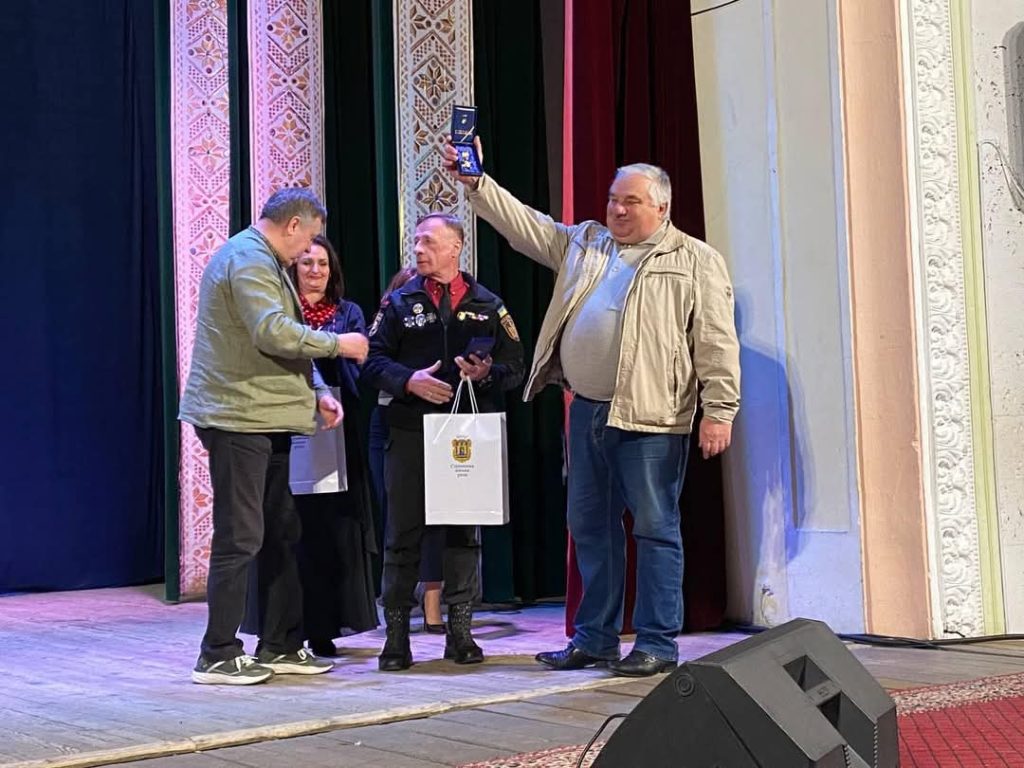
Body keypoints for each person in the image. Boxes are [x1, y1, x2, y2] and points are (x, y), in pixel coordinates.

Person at [444, 138, 741, 678]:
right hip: (587, 412)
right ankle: (595, 639)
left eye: (631, 201)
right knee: (589, 527)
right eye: (612, 199)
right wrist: (477, 183)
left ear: (662, 207)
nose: (617, 210)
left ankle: (656, 643)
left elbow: (716, 341)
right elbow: (527, 227)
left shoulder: (695, 260)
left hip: (652, 418)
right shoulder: (587, 243)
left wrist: (719, 410)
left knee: (654, 528)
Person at [179, 188, 368, 685]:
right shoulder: (247, 259)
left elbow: (281, 341)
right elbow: (273, 332)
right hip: (237, 416)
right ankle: (217, 652)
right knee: (240, 534)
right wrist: (340, 344)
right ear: (292, 225)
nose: (308, 251)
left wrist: (318, 392)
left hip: (266, 416)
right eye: (308, 238)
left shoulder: (265, 259)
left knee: (282, 531)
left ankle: (280, 643)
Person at [363, 213, 525, 671]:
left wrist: (486, 374)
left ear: (456, 247)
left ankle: (460, 633)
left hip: (463, 436)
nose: (419, 249)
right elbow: (371, 361)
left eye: (429, 242)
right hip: (410, 432)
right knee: (402, 535)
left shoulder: (488, 304)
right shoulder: (399, 302)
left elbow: (516, 366)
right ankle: (397, 639)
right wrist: (408, 380)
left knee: (463, 535)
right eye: (416, 241)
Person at [286, 234, 379, 655]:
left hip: (339, 431)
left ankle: (325, 627)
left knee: (333, 531)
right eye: (307, 262)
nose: (315, 270)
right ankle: (289, 627)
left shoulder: (348, 313)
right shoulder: (283, 312)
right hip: (291, 427)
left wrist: (337, 351)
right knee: (292, 529)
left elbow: (361, 365)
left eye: (323, 263)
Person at [367, 267, 447, 634]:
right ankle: (396, 607)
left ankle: (433, 604)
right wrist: (407, 379)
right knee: (398, 519)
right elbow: (372, 366)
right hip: (391, 422)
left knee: (438, 517)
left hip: (437, 423)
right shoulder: (388, 320)